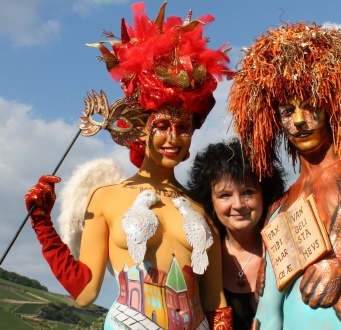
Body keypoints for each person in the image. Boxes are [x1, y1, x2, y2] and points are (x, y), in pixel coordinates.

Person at [24, 2, 234, 329]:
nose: (173, 138)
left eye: (183, 128)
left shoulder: (201, 206)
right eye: (163, 125)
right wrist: (43, 225)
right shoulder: (106, 198)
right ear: (141, 127)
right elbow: (85, 293)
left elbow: (213, 300)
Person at [228, 22, 341, 329]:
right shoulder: (279, 207)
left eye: (311, 107)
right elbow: (270, 306)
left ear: (333, 107)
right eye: (287, 111)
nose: (299, 121)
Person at [187, 138, 286, 330]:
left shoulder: (284, 249)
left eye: (248, 192)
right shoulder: (200, 259)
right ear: (210, 202)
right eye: (225, 195)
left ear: (264, 195)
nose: (238, 205)